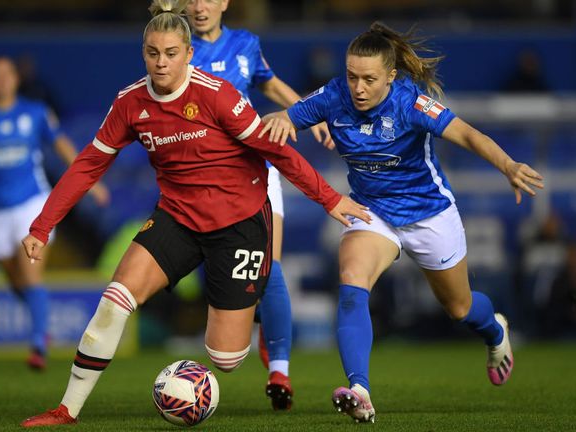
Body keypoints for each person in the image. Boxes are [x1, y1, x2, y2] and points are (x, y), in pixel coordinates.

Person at [19, 0, 368, 427]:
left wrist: (331, 200)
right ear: (143, 52)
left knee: (225, 358)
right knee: (115, 300)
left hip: (240, 223)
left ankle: (248, 319)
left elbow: (277, 152)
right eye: (152, 53)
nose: (161, 63)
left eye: (170, 53)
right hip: (178, 217)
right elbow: (88, 163)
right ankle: (67, 409)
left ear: (188, 53)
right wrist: (43, 224)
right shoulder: (130, 103)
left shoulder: (218, 95)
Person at [262, 22, 544, 423]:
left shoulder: (411, 103)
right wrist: (281, 120)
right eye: (352, 76)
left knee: (460, 308)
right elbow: (288, 117)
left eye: (369, 79)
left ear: (391, 76)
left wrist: (508, 165)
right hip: (372, 211)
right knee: (351, 281)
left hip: (429, 213)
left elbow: (466, 134)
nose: (358, 87)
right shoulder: (333, 95)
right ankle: (360, 389)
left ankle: (496, 331)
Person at [184, 0, 334, 411]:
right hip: (204, 179)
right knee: (233, 271)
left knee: (270, 264)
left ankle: (279, 368)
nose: (199, 6)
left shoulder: (246, 43)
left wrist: (308, 113)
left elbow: (269, 84)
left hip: (255, 166)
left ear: (224, 3)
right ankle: (251, 330)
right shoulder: (175, 47)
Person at [0, 56, 109, 370]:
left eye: (8, 74)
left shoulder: (35, 113)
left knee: (30, 272)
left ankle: (37, 343)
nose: (2, 79)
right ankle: (40, 319)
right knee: (15, 277)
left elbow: (61, 146)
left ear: (16, 80)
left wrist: (91, 183)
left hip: (32, 205)